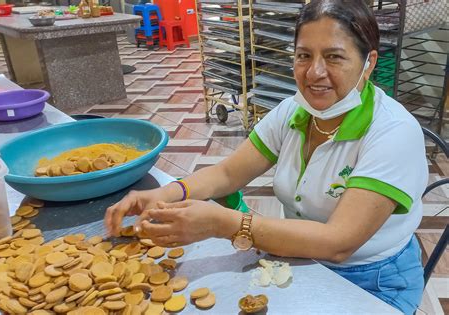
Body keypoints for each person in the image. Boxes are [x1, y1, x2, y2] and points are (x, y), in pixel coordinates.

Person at [104, 1, 428, 314]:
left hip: (372, 281)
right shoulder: (296, 112)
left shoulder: (393, 133)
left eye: (334, 57)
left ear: (368, 63)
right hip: (300, 258)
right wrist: (167, 192)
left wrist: (225, 224)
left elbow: (338, 243)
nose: (315, 72)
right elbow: (229, 174)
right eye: (304, 55)